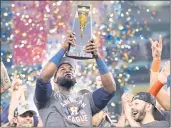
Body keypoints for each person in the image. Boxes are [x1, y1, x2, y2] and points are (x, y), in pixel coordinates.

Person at [34, 32, 116, 127]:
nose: (67, 71)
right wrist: (63, 49)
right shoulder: (46, 99)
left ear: (76, 79)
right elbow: (43, 77)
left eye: (70, 69)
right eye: (62, 69)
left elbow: (110, 89)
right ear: (54, 79)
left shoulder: (87, 100)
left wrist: (97, 56)